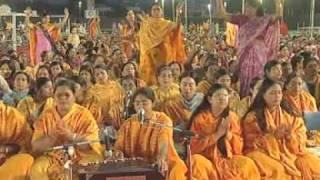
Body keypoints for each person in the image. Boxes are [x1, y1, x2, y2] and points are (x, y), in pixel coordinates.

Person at [242, 79, 320, 179]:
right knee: (278, 169)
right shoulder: (252, 117)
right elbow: (250, 143)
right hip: (262, 153)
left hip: (290, 152)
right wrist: (273, 137)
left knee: (310, 164)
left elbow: (301, 136)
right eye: (272, 93)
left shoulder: (289, 114)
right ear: (263, 95)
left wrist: (290, 137)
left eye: (279, 92)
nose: (277, 96)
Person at [30, 79, 103, 180]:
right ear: (54, 97)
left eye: (67, 95)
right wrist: (52, 136)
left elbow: (90, 145)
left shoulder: (84, 115)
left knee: (92, 165)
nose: (63, 98)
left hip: (81, 156)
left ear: (74, 97)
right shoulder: (46, 116)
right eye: (59, 95)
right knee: (37, 169)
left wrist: (71, 136)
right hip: (53, 158)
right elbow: (36, 146)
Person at [189, 84, 260, 180]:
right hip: (207, 159)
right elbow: (194, 146)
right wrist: (217, 135)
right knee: (196, 161)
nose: (222, 98)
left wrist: (229, 136)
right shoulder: (200, 119)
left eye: (225, 95)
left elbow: (240, 143)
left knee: (248, 163)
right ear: (210, 99)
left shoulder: (232, 117)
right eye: (218, 95)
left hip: (227, 158)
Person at [113, 87, 187, 180]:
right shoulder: (128, 123)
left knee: (175, 170)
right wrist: (118, 153)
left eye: (145, 103)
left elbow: (164, 141)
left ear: (153, 103)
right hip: (135, 166)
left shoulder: (162, 120)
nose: (140, 106)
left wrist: (161, 158)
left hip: (161, 162)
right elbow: (119, 146)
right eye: (137, 103)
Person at [216, 0, 283, 96]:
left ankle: (259, 96)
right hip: (245, 54)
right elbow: (223, 15)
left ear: (255, 8)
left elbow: (278, 16)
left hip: (260, 55)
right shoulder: (241, 19)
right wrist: (219, 2)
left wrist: (278, 3)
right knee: (244, 76)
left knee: (259, 76)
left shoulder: (264, 19)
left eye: (248, 7)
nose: (245, 9)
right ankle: (245, 97)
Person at [138, 3, 186, 85]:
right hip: (150, 56)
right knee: (151, 79)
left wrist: (178, 15)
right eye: (154, 9)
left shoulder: (166, 24)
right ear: (151, 12)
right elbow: (143, 41)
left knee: (165, 75)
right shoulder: (146, 24)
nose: (156, 11)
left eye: (158, 9)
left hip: (164, 55)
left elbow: (176, 28)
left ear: (162, 12)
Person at [0, 101, 34, 180]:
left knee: (26, 159)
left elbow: (26, 146)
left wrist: (5, 149)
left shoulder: (12, 116)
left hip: (8, 164)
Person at [89, 64, 124, 129]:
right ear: (94, 78)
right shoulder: (92, 90)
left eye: (102, 73)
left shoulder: (116, 86)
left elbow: (122, 101)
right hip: (101, 123)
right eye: (97, 74)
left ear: (107, 74)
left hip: (116, 119)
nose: (100, 76)